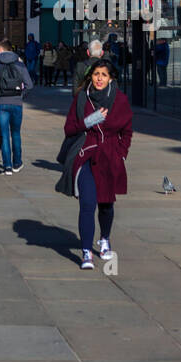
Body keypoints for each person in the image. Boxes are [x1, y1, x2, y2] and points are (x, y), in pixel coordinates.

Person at [58, 59, 133, 269]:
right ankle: (86, 253)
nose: (99, 78)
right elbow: (69, 129)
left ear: (111, 78)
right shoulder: (81, 98)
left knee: (106, 205)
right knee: (88, 203)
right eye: (96, 74)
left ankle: (105, 239)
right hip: (86, 155)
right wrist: (88, 121)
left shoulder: (119, 100)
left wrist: (122, 154)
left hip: (110, 158)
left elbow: (126, 132)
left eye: (104, 75)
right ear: (90, 76)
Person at [0, 39, 34, 174]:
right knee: (15, 133)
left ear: (1, 49)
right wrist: (21, 96)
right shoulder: (20, 65)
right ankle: (17, 163)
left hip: (0, 103)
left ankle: (7, 165)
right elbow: (30, 85)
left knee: (3, 134)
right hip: (17, 103)